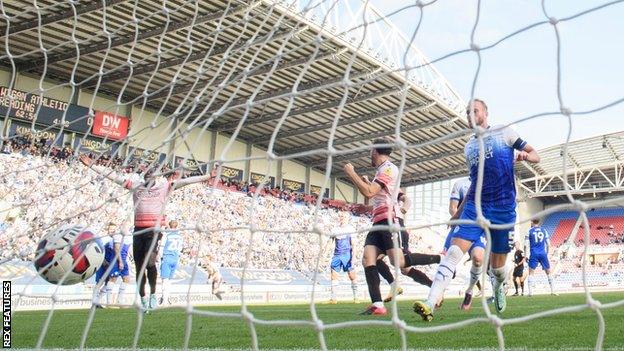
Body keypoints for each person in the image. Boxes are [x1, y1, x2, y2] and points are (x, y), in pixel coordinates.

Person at [413, 98, 541, 321]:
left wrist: (524, 156)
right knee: (453, 253)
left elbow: (535, 154)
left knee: (498, 268)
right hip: (476, 207)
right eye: (467, 112)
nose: (470, 114)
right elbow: (474, 183)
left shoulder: (505, 132)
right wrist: (457, 214)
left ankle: (499, 286)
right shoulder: (468, 147)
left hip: (503, 209)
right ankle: (430, 303)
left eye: (475, 110)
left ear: (485, 113)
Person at [80, 155, 213, 312]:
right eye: (147, 174)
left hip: (154, 231)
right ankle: (143, 297)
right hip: (138, 231)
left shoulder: (164, 187)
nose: (150, 176)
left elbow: (185, 182)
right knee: (140, 267)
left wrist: (207, 176)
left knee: (150, 264)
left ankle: (153, 295)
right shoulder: (136, 187)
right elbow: (113, 176)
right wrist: (92, 165)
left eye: (152, 174)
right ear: (144, 176)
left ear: (156, 177)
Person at [343, 138, 441, 316]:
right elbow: (374, 196)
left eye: (371, 151)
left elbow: (370, 192)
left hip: (391, 222)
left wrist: (351, 173)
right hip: (378, 222)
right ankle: (378, 304)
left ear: (375, 151)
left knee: (401, 263)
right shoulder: (380, 172)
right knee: (368, 259)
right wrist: (366, 203)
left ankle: (440, 259)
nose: (369, 155)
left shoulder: (388, 169)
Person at [375, 188, 436, 303]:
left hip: (396, 227)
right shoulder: (378, 186)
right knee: (374, 259)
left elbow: (406, 199)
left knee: (405, 269)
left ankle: (435, 288)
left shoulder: (392, 187)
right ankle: (394, 286)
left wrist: (404, 208)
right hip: (384, 227)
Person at [329, 212, 358, 304]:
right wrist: (326, 253)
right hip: (337, 255)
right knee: (334, 276)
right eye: (341, 216)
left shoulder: (350, 229)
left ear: (348, 218)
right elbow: (330, 242)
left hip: (347, 255)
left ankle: (356, 297)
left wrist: (353, 257)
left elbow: (354, 244)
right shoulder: (335, 229)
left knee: (352, 276)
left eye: (344, 216)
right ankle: (334, 299)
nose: (342, 218)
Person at [526, 219, 557, 296]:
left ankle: (530, 292)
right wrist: (547, 254)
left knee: (531, 273)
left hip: (534, 253)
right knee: (548, 272)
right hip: (543, 253)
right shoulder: (544, 230)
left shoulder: (529, 231)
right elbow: (549, 244)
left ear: (532, 222)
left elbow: (525, 245)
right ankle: (553, 291)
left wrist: (526, 255)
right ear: (539, 222)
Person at [159, 220, 184, 305]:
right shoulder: (180, 236)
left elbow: (161, 246)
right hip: (175, 258)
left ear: (169, 226)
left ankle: (164, 299)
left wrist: (160, 257)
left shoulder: (166, 235)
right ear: (177, 226)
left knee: (164, 280)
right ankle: (167, 297)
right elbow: (180, 248)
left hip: (167, 257)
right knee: (169, 280)